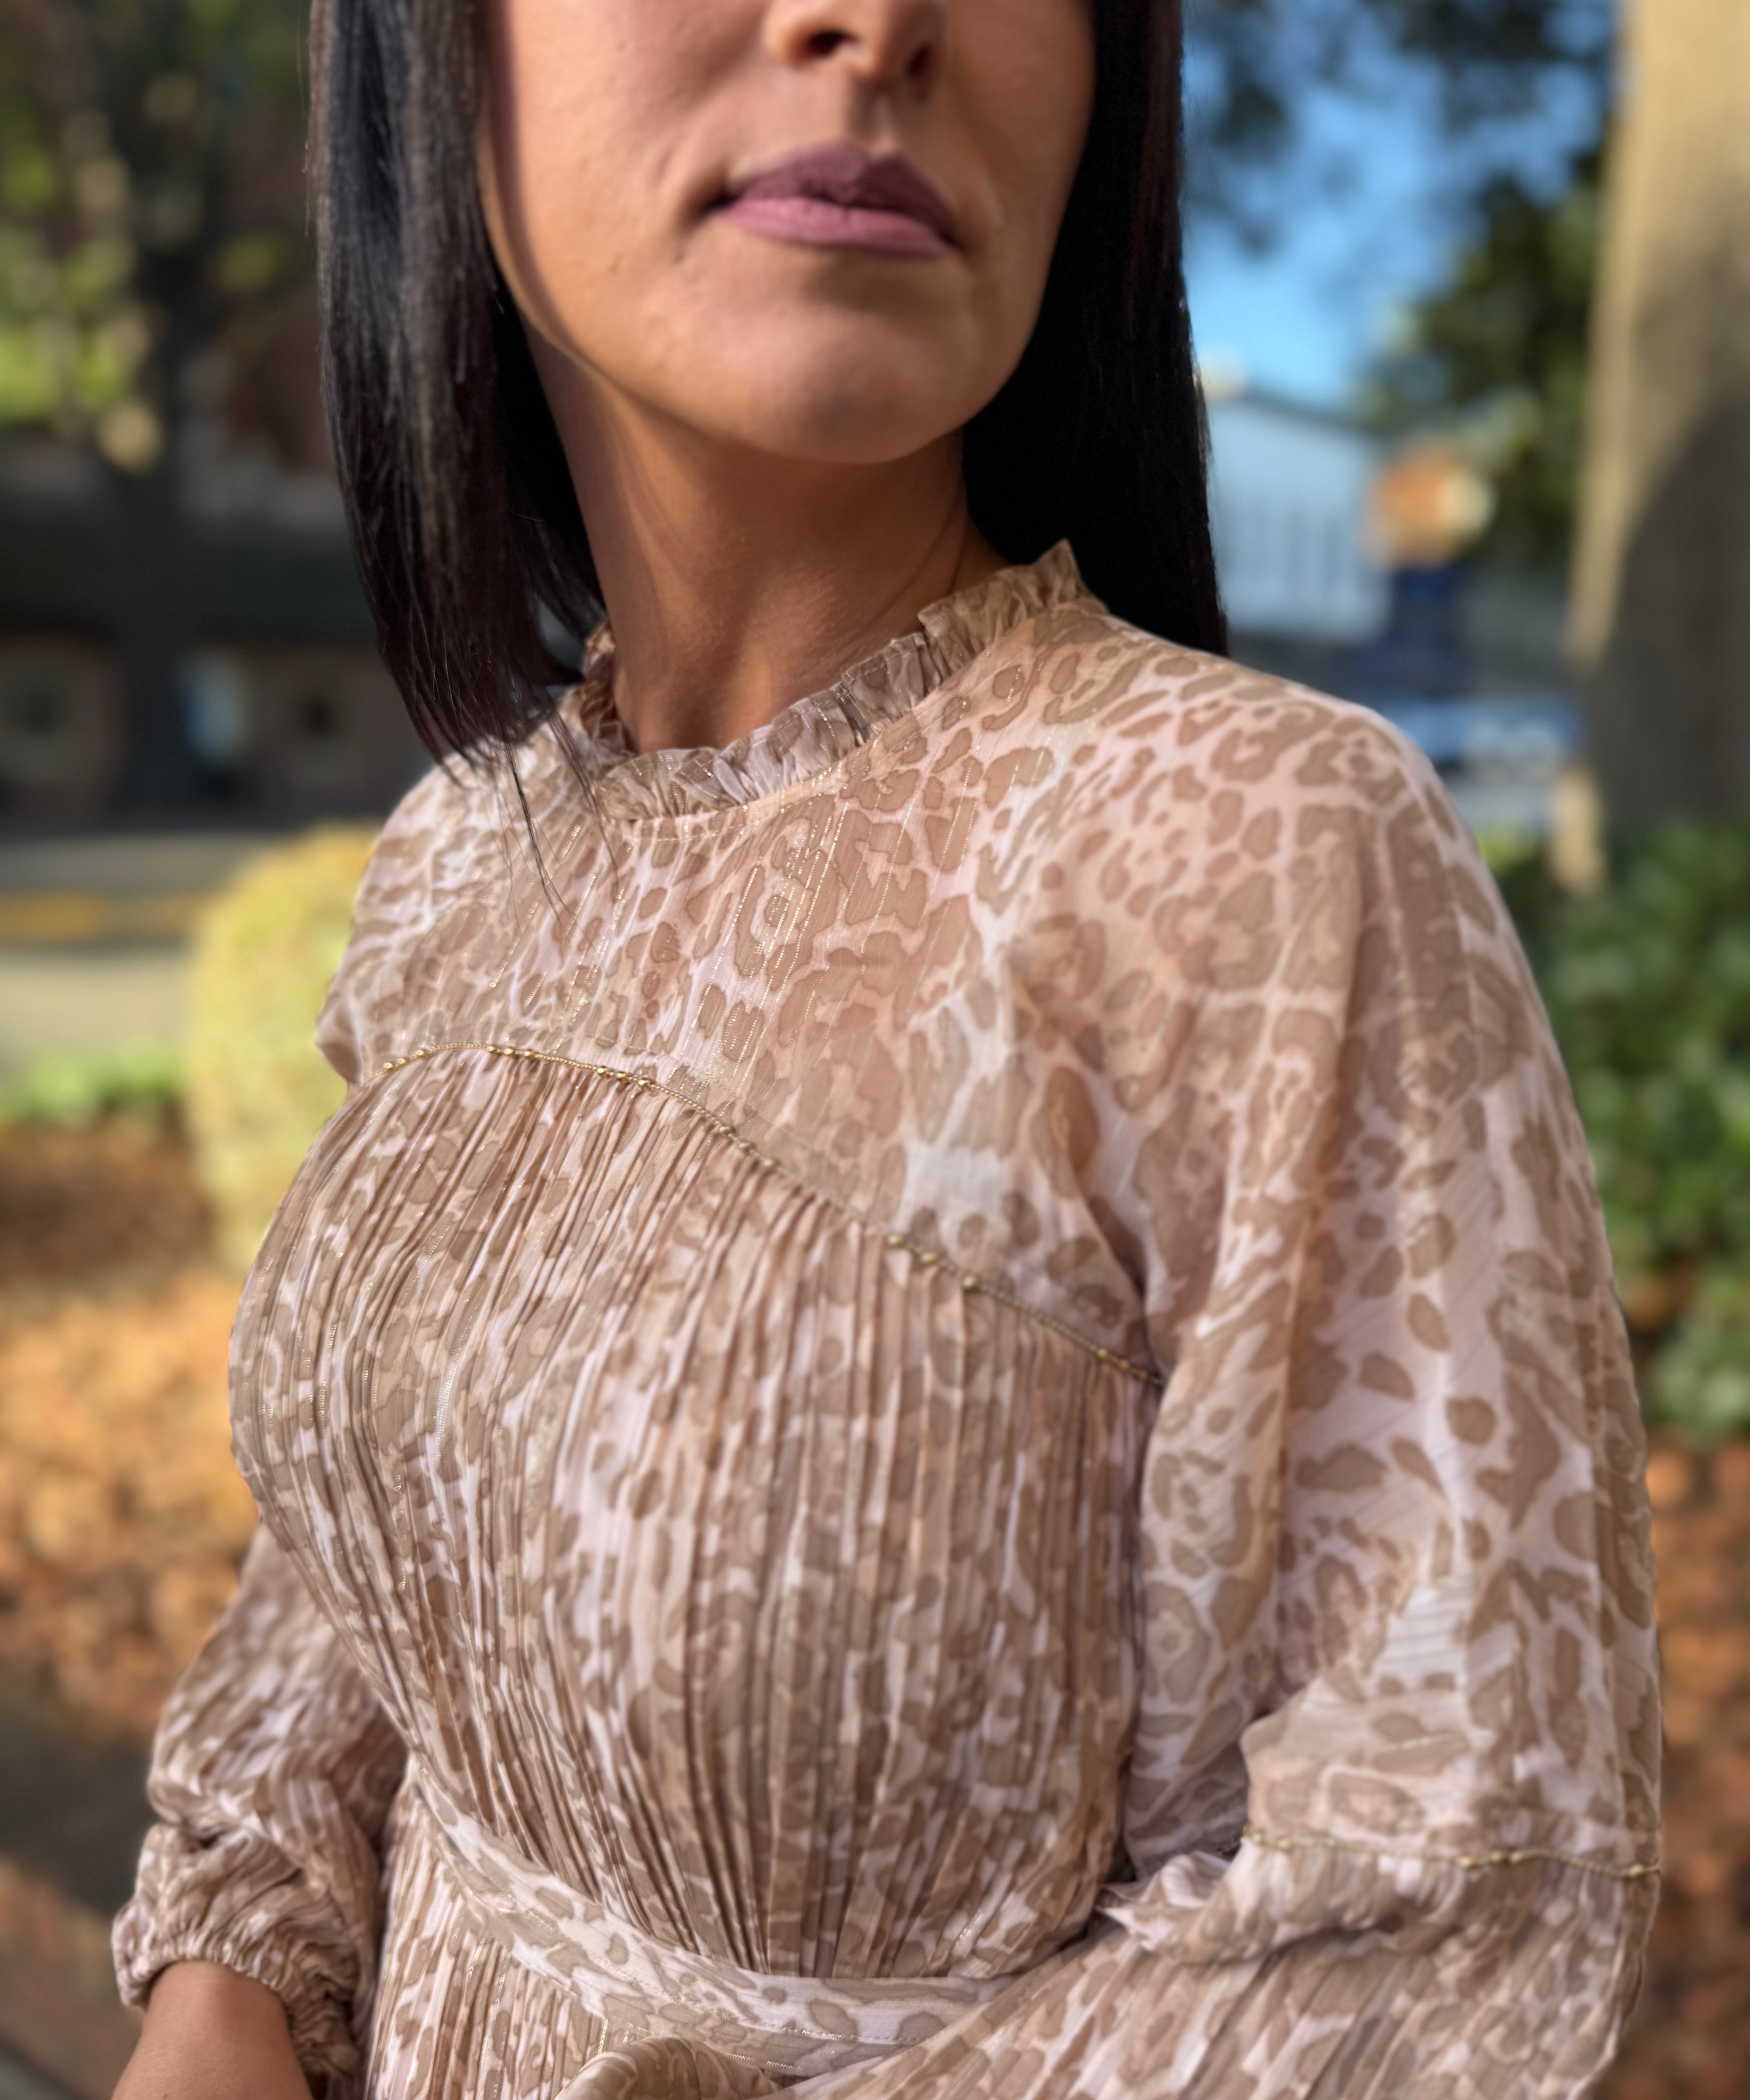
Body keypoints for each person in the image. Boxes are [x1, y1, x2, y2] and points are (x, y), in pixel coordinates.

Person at [110, 1, 1661, 2094]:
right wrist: (227, 1970)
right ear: (424, 62)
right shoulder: (457, 857)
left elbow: (1440, 1916)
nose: (878, 18)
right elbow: (367, 1561)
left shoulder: (1254, 853)